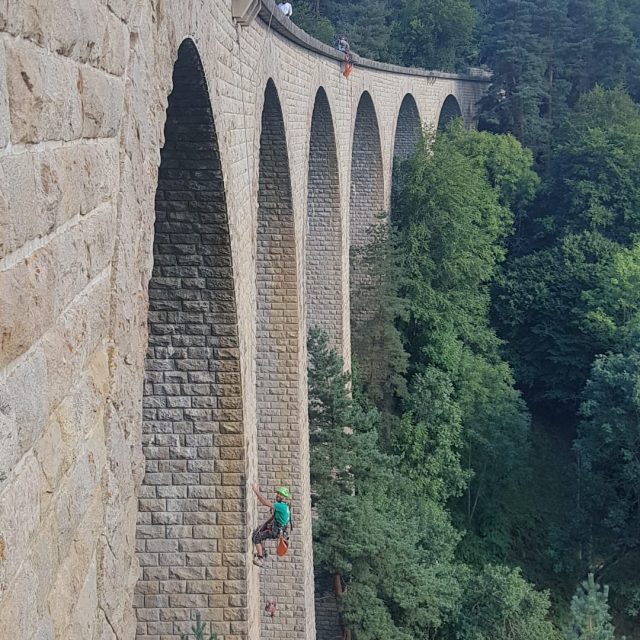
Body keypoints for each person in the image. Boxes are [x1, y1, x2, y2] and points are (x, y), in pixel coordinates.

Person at [251, 484, 292, 567]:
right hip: (278, 530)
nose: (278, 495)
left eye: (281, 494)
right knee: (259, 532)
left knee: (256, 537)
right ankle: (263, 552)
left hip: (275, 531)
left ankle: (260, 558)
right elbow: (274, 516)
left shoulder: (281, 506)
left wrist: (255, 491)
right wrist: (264, 525)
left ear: (285, 497)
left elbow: (265, 502)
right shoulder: (285, 506)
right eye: (278, 493)